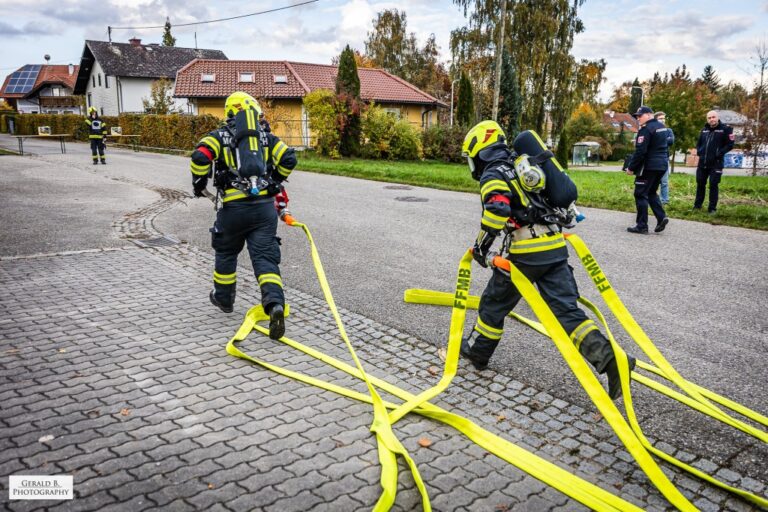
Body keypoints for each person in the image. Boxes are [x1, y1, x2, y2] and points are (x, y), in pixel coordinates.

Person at [459, 120, 635, 400]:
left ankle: (477, 353)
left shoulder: (493, 171)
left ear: (479, 149)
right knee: (567, 312)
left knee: (493, 304)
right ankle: (613, 361)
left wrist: (481, 247)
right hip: (555, 246)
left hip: (525, 255)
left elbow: (497, 208)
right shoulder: (523, 165)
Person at [189, 91, 297, 340]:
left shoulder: (218, 136)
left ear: (228, 112)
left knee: (226, 253)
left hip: (233, 211)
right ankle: (274, 305)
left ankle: (224, 300)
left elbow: (200, 156)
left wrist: (198, 181)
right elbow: (289, 158)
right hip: (264, 209)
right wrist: (274, 181)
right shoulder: (267, 138)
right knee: (265, 259)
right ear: (254, 111)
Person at [625, 106, 669, 234]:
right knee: (651, 192)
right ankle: (661, 218)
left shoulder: (645, 129)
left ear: (649, 115)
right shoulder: (661, 127)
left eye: (640, 115)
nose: (638, 118)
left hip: (649, 166)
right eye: (637, 116)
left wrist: (631, 168)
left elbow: (640, 152)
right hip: (661, 165)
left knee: (640, 194)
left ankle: (642, 225)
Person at [694, 110, 734, 214]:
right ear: (707, 119)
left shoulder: (726, 129)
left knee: (713, 185)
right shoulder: (704, 130)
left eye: (713, 117)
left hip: (716, 164)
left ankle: (712, 209)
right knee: (700, 184)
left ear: (717, 117)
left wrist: (719, 153)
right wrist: (699, 152)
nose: (711, 119)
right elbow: (699, 144)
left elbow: (730, 145)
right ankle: (697, 206)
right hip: (703, 163)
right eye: (709, 118)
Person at [654, 111, 674, 205]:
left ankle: (664, 200)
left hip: (664, 159)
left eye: (663, 118)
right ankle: (653, 199)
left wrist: (660, 140)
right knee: (653, 181)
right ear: (656, 119)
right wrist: (664, 140)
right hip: (654, 159)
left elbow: (671, 141)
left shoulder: (668, 130)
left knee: (664, 182)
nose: (663, 120)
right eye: (660, 118)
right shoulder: (653, 130)